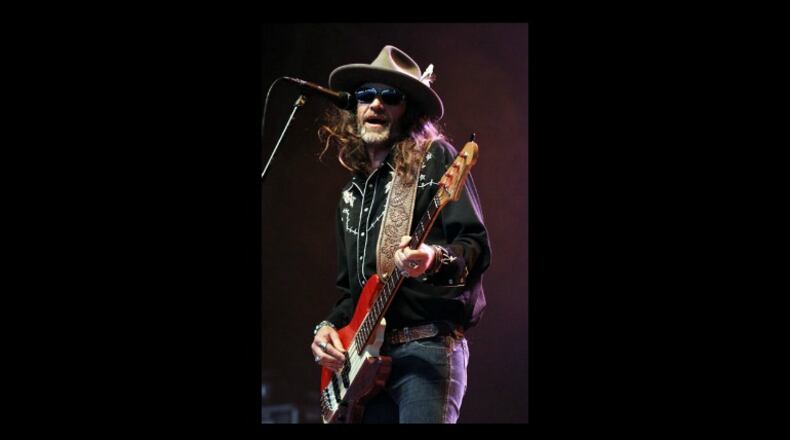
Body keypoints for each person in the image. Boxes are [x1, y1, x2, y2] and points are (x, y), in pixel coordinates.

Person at [310, 45, 491, 424]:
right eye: (365, 95)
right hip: (367, 369)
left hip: (426, 350)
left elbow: (474, 247)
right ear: (353, 107)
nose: (375, 104)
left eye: (389, 96)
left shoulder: (436, 159)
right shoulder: (350, 194)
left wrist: (431, 258)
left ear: (407, 110)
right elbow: (351, 293)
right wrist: (327, 329)